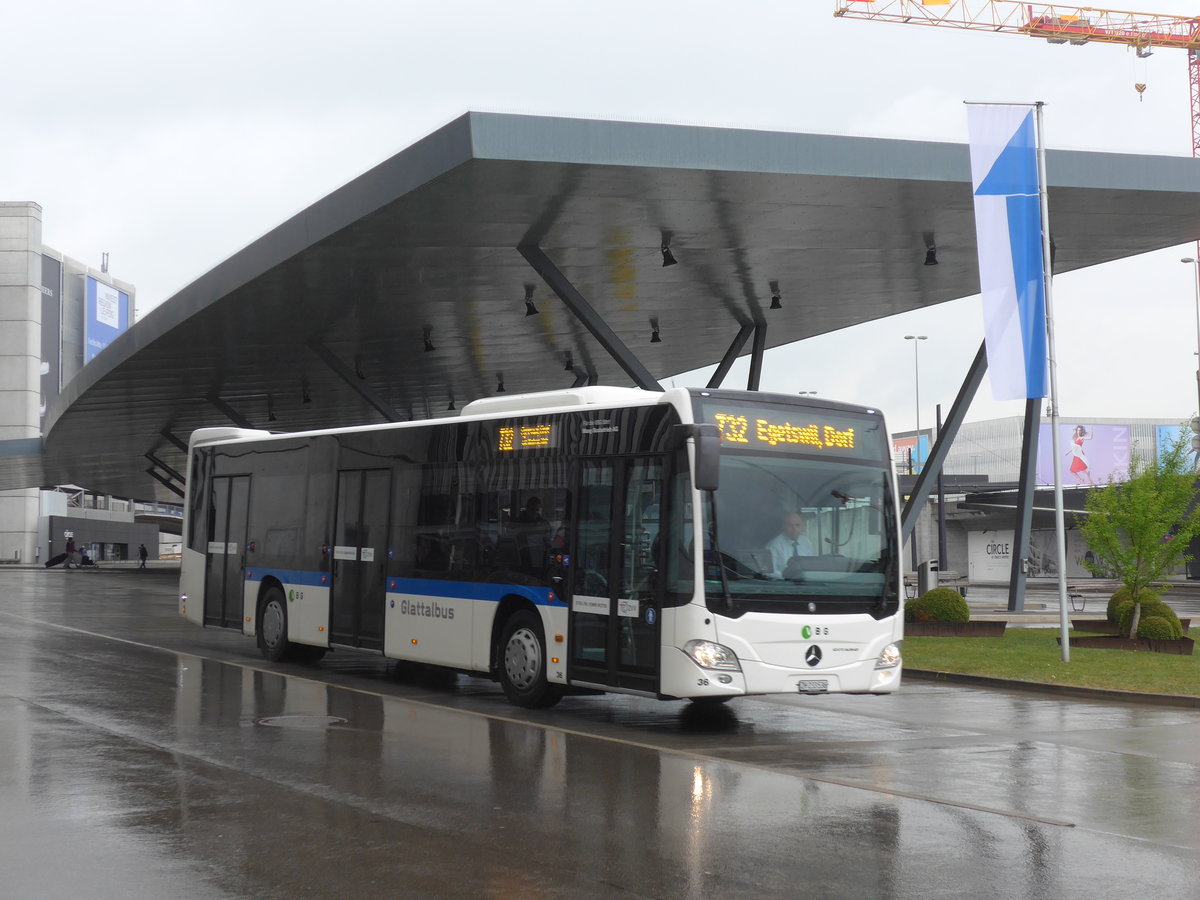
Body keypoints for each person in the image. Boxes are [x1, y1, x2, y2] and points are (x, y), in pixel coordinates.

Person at [766, 512, 815, 577]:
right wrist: (788, 577)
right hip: (784, 584)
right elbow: (769, 571)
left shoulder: (806, 542)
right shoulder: (774, 545)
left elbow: (811, 566)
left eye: (797, 525)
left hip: (805, 584)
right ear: (784, 526)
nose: (794, 529)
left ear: (802, 527)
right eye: (790, 525)